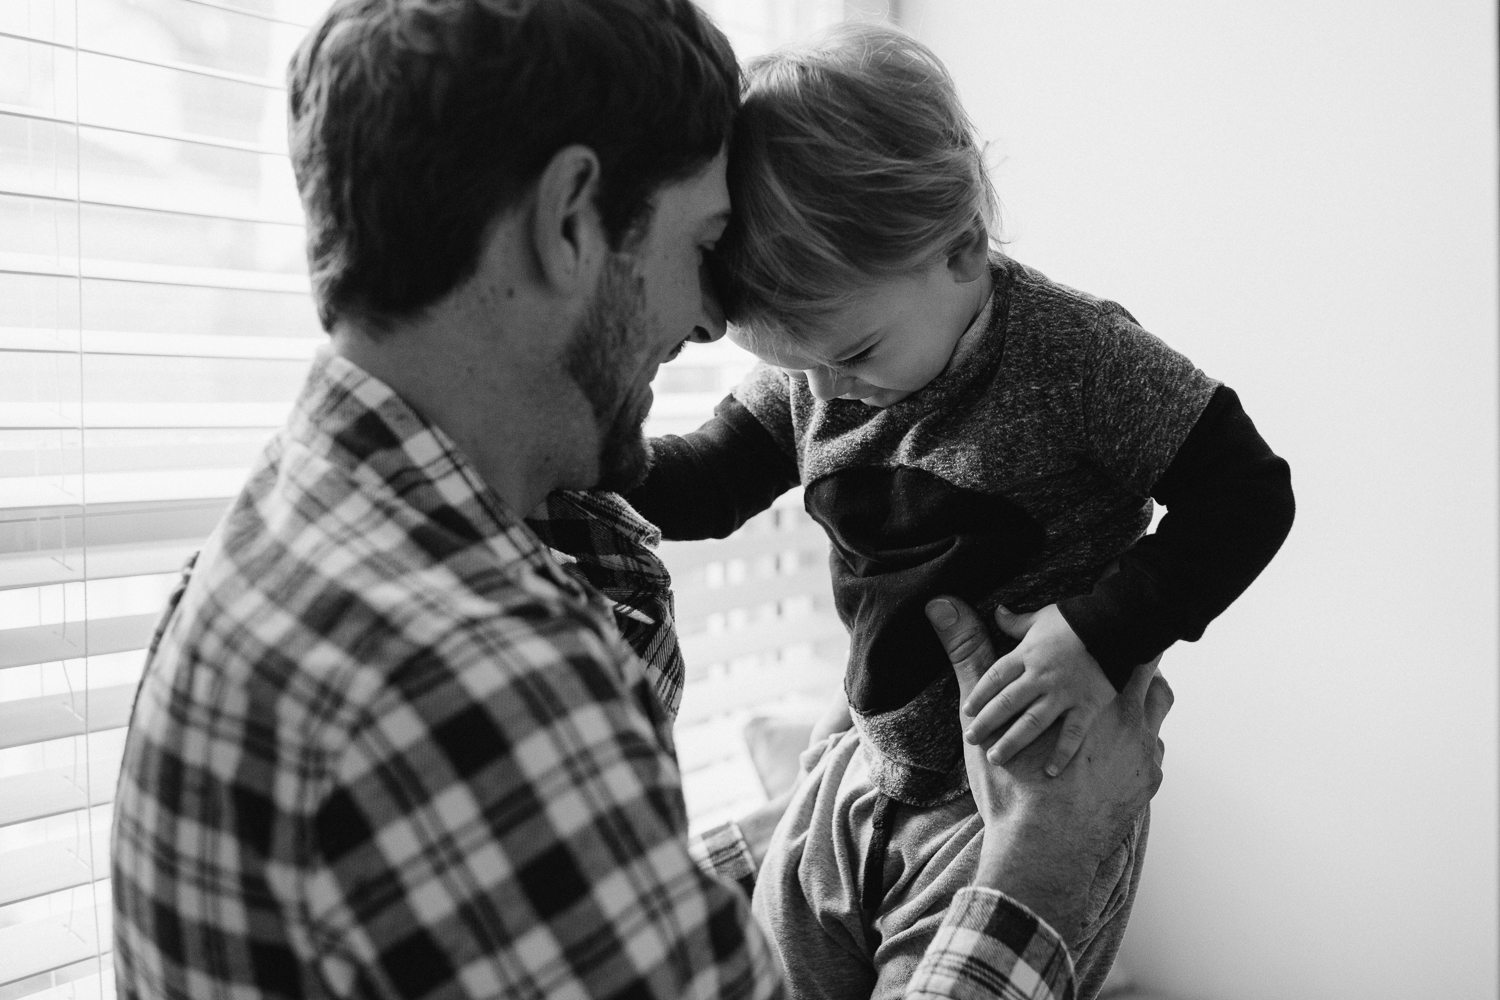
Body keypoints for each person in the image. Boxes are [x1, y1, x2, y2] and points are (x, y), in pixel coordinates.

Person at [109, 3, 1172, 999]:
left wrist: (835, 824)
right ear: (572, 220)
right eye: (704, 245)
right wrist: (1047, 862)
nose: (715, 319)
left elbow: (548, 918)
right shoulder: (472, 678)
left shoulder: (290, 541)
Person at [624, 23, 1295, 1000]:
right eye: (793, 369)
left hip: (1020, 795)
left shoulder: (1076, 355)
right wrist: (599, 450)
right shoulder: (826, 361)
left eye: (851, 355)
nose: (823, 394)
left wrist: (1096, 631)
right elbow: (708, 485)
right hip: (865, 760)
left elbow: (1247, 496)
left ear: (961, 250)